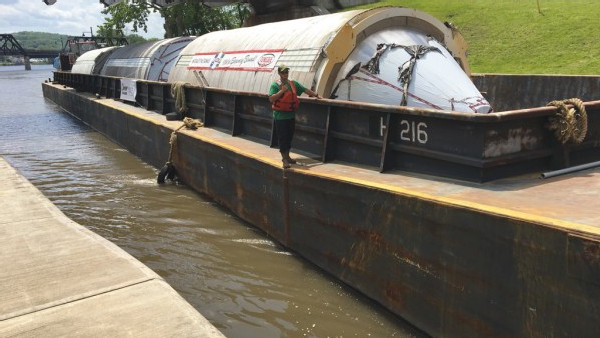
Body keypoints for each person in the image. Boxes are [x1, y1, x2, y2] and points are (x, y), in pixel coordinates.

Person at [268, 64, 321, 168]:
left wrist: (317, 95)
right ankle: (284, 159)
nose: (285, 74)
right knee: (283, 138)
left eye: (286, 72)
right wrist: (281, 91)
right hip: (280, 117)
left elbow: (305, 89)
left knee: (289, 137)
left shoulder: (293, 84)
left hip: (290, 116)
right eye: (283, 72)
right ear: (279, 73)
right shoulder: (275, 85)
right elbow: (271, 99)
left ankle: (287, 157)